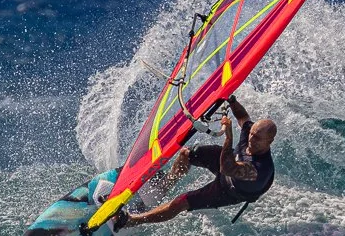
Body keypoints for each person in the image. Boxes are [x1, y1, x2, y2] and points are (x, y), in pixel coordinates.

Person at [116, 95, 275, 229]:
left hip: (229, 190)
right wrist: (231, 100)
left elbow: (227, 168)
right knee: (187, 153)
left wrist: (229, 137)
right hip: (229, 160)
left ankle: (131, 220)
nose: (251, 139)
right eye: (252, 134)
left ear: (270, 141)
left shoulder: (260, 169)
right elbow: (243, 117)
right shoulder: (251, 133)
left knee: (181, 202)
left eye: (258, 138)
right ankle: (164, 185)